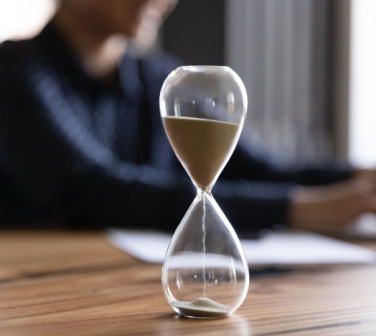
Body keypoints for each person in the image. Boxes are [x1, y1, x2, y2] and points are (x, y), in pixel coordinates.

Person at [0, 0, 375, 236]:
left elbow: (261, 167)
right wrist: (296, 208)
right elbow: (93, 192)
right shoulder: (15, 70)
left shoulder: (161, 80)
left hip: (130, 276)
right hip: (42, 282)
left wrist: (356, 179)